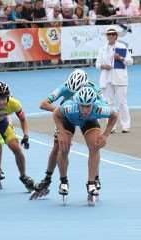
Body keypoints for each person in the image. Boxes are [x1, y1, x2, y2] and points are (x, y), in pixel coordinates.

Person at [30, 69, 104, 200]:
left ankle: (95, 179)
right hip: (67, 116)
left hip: (87, 116)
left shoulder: (94, 89)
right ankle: (48, 179)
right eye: (72, 91)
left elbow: (105, 107)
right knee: (58, 146)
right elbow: (43, 104)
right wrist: (63, 111)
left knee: (95, 145)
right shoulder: (64, 87)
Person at [53, 87, 118, 205]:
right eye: (82, 106)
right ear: (78, 103)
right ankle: (63, 181)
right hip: (69, 120)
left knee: (95, 146)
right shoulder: (69, 107)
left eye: (88, 106)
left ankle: (91, 182)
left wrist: (105, 135)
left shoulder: (100, 108)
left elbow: (114, 116)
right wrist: (61, 132)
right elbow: (56, 114)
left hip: (89, 122)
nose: (85, 110)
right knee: (64, 147)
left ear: (94, 104)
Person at [95, 25, 133, 133]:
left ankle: (126, 126)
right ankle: (111, 126)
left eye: (113, 34)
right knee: (108, 103)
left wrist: (120, 58)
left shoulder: (122, 47)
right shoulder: (102, 49)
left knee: (122, 102)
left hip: (120, 78)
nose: (111, 36)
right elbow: (97, 64)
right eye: (109, 34)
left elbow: (130, 61)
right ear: (107, 36)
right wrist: (103, 66)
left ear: (116, 36)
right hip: (107, 79)